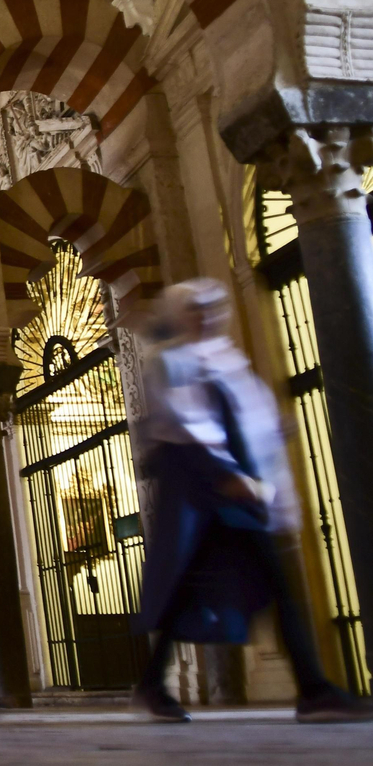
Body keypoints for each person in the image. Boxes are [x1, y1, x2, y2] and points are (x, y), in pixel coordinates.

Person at [133, 279, 372, 724]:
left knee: (199, 587)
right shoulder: (172, 362)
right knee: (270, 584)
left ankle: (152, 685)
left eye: (211, 308)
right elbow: (181, 423)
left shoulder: (228, 361)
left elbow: (246, 420)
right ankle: (314, 690)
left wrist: (269, 441)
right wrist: (226, 475)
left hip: (233, 493)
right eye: (195, 309)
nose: (205, 316)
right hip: (210, 493)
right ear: (180, 314)